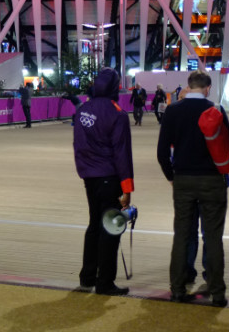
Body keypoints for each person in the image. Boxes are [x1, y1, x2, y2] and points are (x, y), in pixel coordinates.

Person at [156, 71, 229, 307]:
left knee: (182, 235)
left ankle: (177, 289)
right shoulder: (216, 109)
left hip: (183, 180)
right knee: (213, 236)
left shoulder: (173, 110)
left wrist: (171, 177)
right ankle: (217, 292)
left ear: (189, 86)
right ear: (208, 88)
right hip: (212, 181)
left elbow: (161, 152)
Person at [72, 68, 133, 296]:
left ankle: (87, 276)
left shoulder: (83, 110)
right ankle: (105, 282)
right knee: (110, 228)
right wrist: (126, 188)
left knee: (94, 224)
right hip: (109, 176)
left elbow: (78, 145)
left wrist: (85, 170)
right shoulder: (117, 113)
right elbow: (122, 154)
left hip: (89, 176)